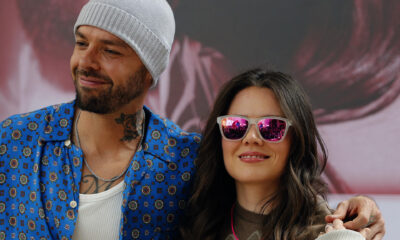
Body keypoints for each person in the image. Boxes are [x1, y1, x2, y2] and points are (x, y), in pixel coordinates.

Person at [0, 1, 385, 240]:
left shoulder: (185, 161)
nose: (86, 61)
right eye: (81, 43)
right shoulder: (13, 142)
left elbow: (270, 196)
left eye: (111, 50)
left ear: (150, 71)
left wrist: (359, 209)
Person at [180, 68, 384, 240]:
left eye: (271, 126)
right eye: (235, 125)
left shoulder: (329, 233)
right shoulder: (195, 224)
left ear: (296, 140)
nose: (251, 137)